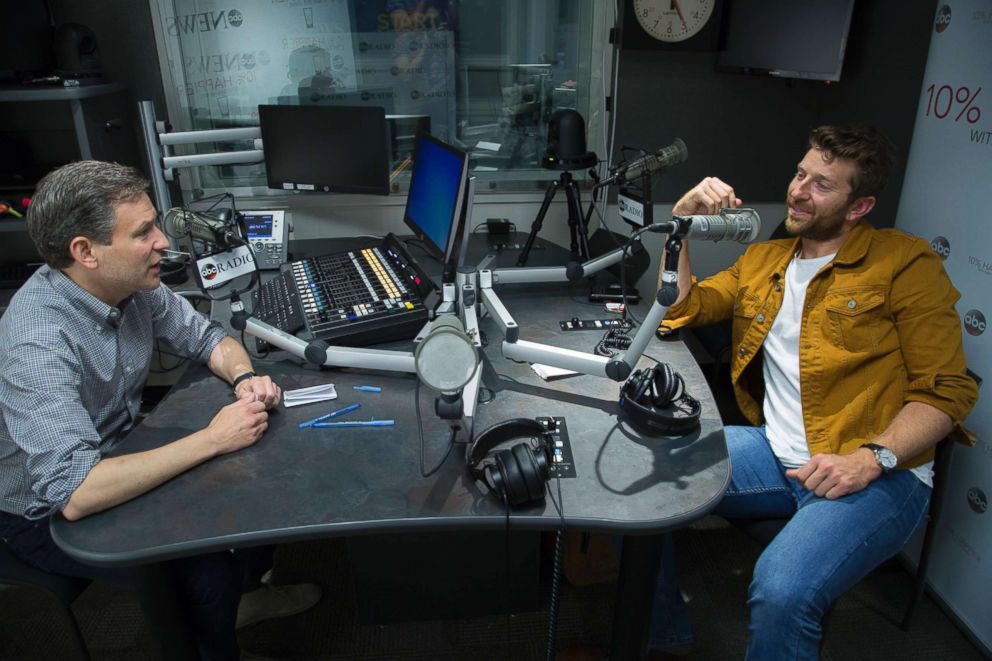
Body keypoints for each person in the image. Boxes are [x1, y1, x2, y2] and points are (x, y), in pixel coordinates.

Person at [651, 124, 978, 659]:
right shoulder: (764, 262)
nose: (799, 191)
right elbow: (680, 308)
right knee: (636, 480)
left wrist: (872, 458)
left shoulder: (906, 263)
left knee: (780, 590)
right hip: (777, 454)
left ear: (859, 205)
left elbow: (945, 392)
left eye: (823, 184)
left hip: (879, 473)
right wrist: (681, 226)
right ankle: (664, 637)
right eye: (800, 174)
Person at [0, 161, 321, 660]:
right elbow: (75, 493)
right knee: (203, 567)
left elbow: (209, 339)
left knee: (265, 480)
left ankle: (245, 601)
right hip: (41, 513)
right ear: (85, 252)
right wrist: (214, 439)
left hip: (116, 452)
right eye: (143, 232)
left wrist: (245, 379)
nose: (163, 242)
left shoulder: (131, 286)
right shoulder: (37, 341)